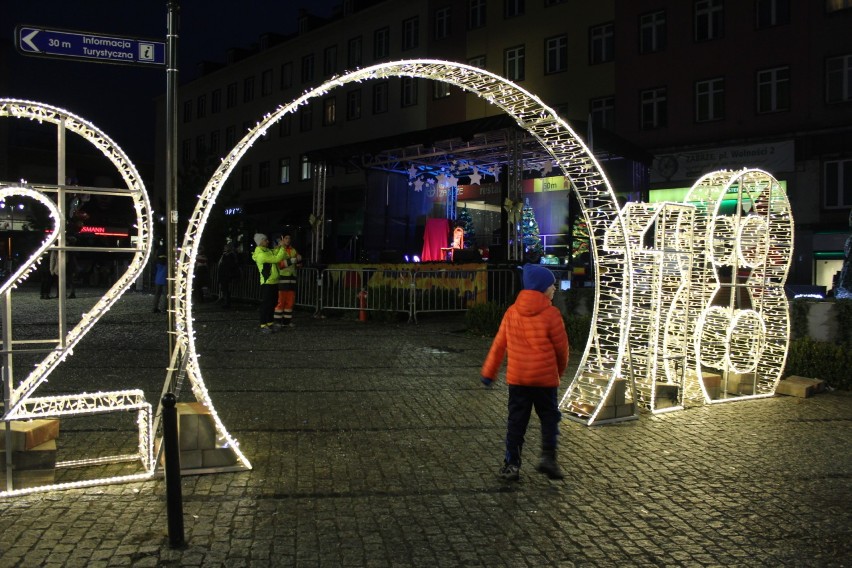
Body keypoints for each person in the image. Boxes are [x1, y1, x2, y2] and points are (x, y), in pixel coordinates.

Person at [480, 264, 569, 482]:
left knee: (516, 422)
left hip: (518, 380)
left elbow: (499, 345)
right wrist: (558, 373)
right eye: (552, 285)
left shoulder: (512, 312)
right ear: (542, 289)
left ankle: (511, 465)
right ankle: (548, 458)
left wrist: (489, 373)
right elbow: (562, 349)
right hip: (545, 381)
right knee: (549, 419)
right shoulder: (551, 314)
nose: (554, 289)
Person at [251, 233, 285, 333]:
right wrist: (282, 247)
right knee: (266, 304)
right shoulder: (261, 254)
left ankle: (270, 323)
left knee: (272, 303)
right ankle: (263, 324)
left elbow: (274, 252)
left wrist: (279, 246)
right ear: (260, 241)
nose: (268, 241)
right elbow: (276, 258)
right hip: (267, 282)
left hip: (273, 281)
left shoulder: (266, 251)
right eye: (265, 240)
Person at [273, 232, 302, 326]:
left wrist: (299, 261)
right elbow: (279, 264)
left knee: (290, 302)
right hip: (282, 278)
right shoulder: (278, 250)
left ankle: (286, 322)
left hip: (292, 278)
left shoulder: (293, 250)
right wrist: (292, 261)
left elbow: (298, 265)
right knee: (281, 301)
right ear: (282, 239)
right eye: (286, 238)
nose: (288, 240)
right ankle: (277, 322)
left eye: (289, 238)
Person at [217, 242, 240, 308]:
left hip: (227, 274)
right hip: (223, 274)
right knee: (224, 288)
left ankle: (227, 303)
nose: (225, 248)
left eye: (226, 247)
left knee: (226, 289)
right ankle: (226, 302)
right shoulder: (225, 255)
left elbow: (231, 265)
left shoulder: (230, 255)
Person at [152, 247, 167, 313]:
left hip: (158, 279)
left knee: (157, 294)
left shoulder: (157, 261)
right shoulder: (167, 261)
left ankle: (155, 308)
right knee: (165, 295)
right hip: (165, 279)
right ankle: (164, 309)